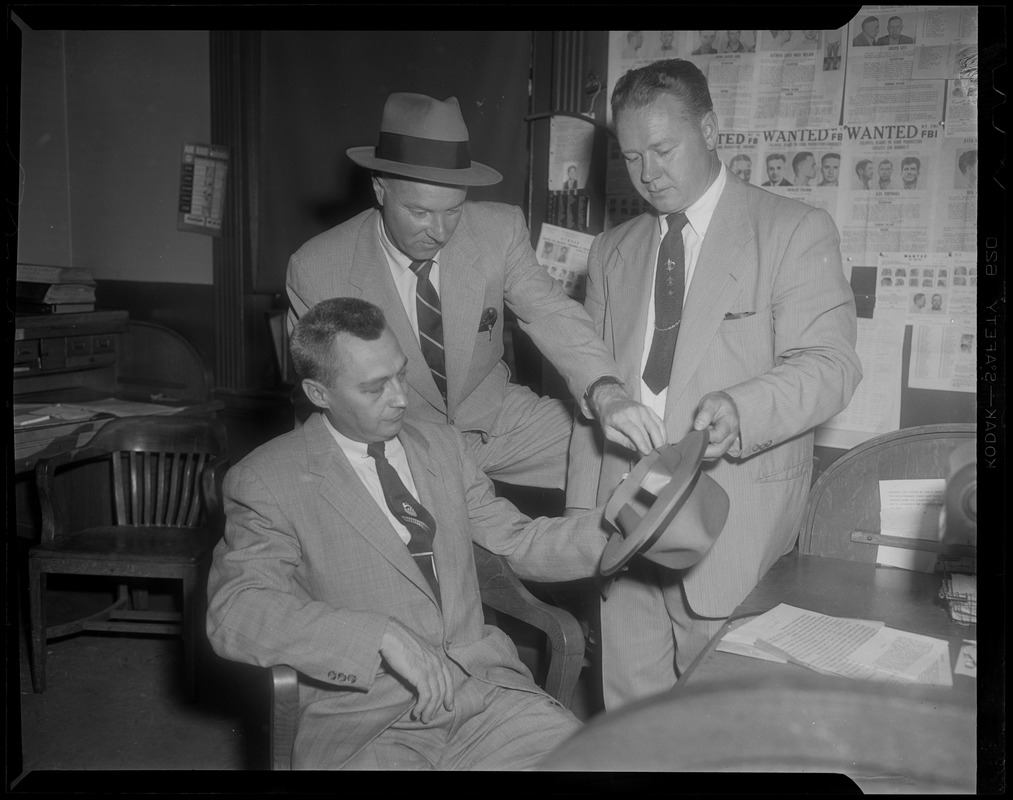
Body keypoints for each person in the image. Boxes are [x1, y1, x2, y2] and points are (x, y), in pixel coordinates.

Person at [566, 59, 861, 709]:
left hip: (729, 529)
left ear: (711, 128)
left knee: (722, 732)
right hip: (625, 520)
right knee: (632, 724)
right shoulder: (611, 251)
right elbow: (589, 376)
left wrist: (743, 404)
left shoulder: (790, 229)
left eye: (664, 150)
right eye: (631, 155)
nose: (647, 173)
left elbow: (831, 364)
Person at [207, 297, 611, 770]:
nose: (400, 398)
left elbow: (515, 539)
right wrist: (376, 636)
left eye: (401, 374)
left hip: (486, 698)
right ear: (319, 393)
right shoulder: (266, 479)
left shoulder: (441, 445)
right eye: (375, 388)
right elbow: (236, 610)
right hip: (367, 721)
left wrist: (616, 534)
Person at [286, 93, 665, 491]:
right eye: (419, 212)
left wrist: (606, 392)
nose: (440, 231)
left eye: (453, 210)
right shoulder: (317, 269)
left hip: (497, 423)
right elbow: (320, 400)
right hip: (394, 441)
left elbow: (550, 312)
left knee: (621, 447)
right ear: (380, 189)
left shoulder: (497, 231)